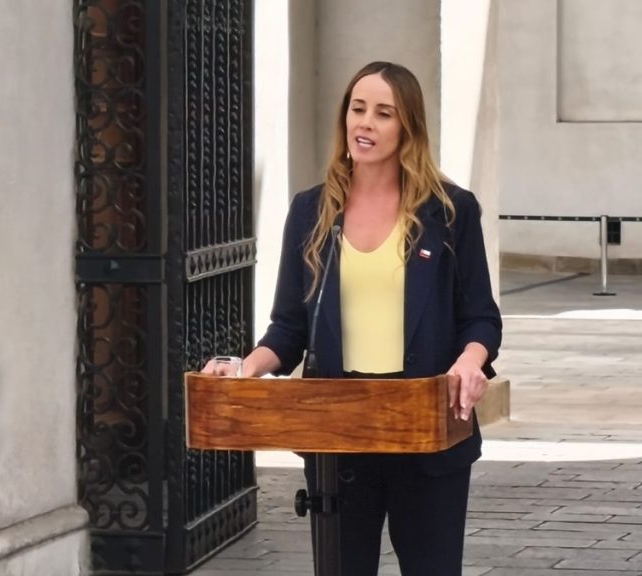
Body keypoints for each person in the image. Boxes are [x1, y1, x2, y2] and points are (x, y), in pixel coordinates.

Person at [203, 61, 502, 576]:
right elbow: (289, 327)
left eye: (383, 113)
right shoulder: (312, 210)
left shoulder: (450, 211)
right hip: (338, 436)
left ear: (407, 126)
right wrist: (246, 369)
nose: (365, 122)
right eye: (357, 109)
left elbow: (481, 318)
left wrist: (470, 363)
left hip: (425, 430)